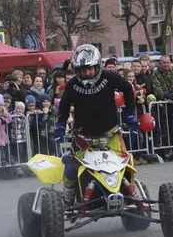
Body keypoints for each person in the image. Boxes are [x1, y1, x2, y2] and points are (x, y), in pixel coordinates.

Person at [52, 44, 137, 207]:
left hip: (111, 134)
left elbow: (127, 88)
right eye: (82, 70)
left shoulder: (109, 77)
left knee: (127, 163)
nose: (86, 73)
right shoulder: (72, 85)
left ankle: (130, 195)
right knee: (70, 167)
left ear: (97, 66)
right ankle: (68, 199)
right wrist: (61, 124)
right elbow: (63, 105)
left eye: (90, 69)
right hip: (84, 136)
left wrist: (130, 114)